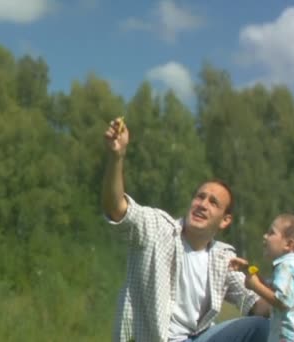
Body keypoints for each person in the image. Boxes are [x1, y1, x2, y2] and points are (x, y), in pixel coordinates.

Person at [101, 117, 270, 342]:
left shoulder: (223, 258)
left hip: (197, 338)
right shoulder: (157, 229)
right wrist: (116, 157)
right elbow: (116, 208)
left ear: (225, 221)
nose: (202, 204)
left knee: (261, 327)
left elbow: (257, 306)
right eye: (200, 197)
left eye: (213, 202)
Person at [230, 214, 294, 342]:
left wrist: (255, 286)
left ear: (289, 244)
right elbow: (271, 290)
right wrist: (247, 271)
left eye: (271, 233)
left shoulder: (287, 265)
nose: (265, 236)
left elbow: (282, 300)